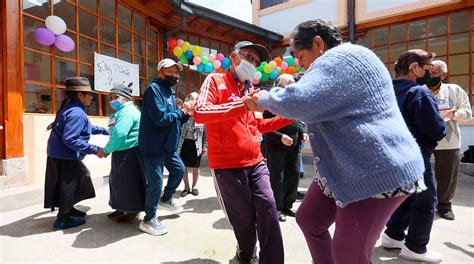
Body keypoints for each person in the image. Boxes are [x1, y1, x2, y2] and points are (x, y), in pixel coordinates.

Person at [249, 19, 427, 264]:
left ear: (318, 44)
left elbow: (303, 101)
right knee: (310, 219)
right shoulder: (347, 59)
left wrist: (263, 98)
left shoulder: (341, 59)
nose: (299, 64)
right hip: (345, 167)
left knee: (349, 255)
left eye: (301, 56)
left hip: (375, 170)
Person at [193, 41, 293, 264]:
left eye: (256, 61)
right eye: (248, 56)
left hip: (256, 162)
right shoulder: (215, 80)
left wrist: (290, 115)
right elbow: (200, 112)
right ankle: (246, 255)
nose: (252, 63)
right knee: (244, 220)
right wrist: (242, 105)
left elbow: (259, 126)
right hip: (227, 167)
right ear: (234, 57)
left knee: (269, 210)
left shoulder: (249, 90)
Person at [381, 50, 446, 262]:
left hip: (390, 155)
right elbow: (435, 129)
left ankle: (393, 235)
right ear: (414, 68)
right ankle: (416, 247)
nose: (432, 73)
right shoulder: (419, 93)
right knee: (426, 200)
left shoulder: (385, 91)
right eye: (428, 68)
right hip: (415, 155)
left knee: (407, 196)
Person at [44, 77, 109, 231]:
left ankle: (68, 208)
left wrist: (106, 131)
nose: (92, 97)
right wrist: (95, 150)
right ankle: (62, 220)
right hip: (65, 155)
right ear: (80, 95)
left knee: (73, 182)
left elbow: (86, 128)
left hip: (58, 153)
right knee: (72, 184)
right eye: (89, 94)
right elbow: (70, 139)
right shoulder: (76, 113)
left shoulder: (72, 108)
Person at [138, 58, 193, 236]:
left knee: (179, 170)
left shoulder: (168, 91)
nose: (175, 75)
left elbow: (174, 120)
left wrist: (187, 114)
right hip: (153, 146)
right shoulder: (153, 90)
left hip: (168, 146)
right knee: (155, 183)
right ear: (160, 72)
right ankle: (149, 219)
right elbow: (161, 119)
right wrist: (181, 111)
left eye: (177, 73)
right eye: (171, 71)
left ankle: (166, 198)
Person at [429, 60, 472, 220]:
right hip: (425, 139)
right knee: (419, 173)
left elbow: (467, 113)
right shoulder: (421, 90)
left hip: (449, 140)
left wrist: (455, 114)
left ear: (444, 75)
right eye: (429, 72)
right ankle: (419, 203)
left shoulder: (455, 90)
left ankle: (444, 205)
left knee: (447, 176)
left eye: (434, 73)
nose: (430, 76)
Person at [263, 74, 308, 222]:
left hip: (294, 146)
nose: (293, 86)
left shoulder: (294, 103)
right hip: (276, 147)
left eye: (294, 83)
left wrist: (303, 133)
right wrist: (280, 137)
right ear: (281, 87)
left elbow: (298, 122)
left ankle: (288, 205)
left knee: (294, 174)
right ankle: (276, 208)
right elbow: (264, 127)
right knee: (277, 178)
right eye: (290, 84)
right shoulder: (271, 103)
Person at [102, 84, 145, 222]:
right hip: (121, 151)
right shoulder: (121, 111)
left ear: (126, 98)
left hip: (129, 152)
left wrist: (106, 150)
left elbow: (120, 134)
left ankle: (132, 210)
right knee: (117, 182)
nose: (112, 100)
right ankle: (120, 207)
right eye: (111, 98)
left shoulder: (128, 111)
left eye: (116, 97)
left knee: (128, 183)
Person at [177, 92, 207, 197]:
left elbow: (205, 133)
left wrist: (205, 147)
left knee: (195, 167)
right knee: (183, 167)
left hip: (196, 144)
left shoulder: (201, 115)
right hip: (184, 144)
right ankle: (186, 187)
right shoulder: (182, 114)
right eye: (191, 99)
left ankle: (195, 187)